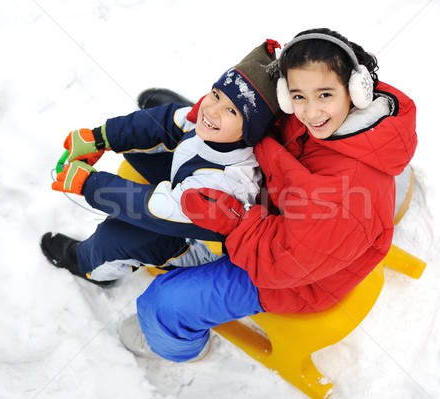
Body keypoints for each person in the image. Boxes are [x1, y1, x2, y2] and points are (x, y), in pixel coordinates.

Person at [118, 28, 418, 362]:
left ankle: (175, 344)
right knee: (168, 146)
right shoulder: (321, 119)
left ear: (356, 89)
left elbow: (282, 264)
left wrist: (235, 220)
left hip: (293, 275)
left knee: (164, 304)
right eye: (298, 96)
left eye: (324, 95)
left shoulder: (345, 197)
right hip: (278, 204)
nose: (311, 111)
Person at [40, 40, 281, 286]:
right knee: (139, 140)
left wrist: (91, 184)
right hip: (186, 190)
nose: (212, 110)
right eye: (216, 95)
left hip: (197, 243)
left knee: (115, 236)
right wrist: (101, 138)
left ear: (252, 130)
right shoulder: (209, 122)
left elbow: (159, 209)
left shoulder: (228, 183)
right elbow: (166, 122)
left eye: (231, 111)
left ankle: (87, 264)